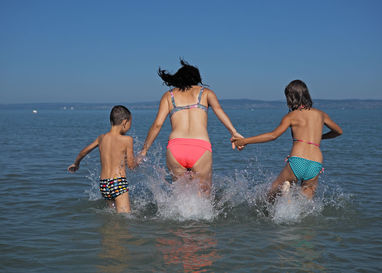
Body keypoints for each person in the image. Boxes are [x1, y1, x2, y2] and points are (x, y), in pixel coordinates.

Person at [140, 60, 242, 196]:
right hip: (200, 148)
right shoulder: (206, 93)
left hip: (176, 149)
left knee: (180, 198)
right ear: (197, 78)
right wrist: (234, 133)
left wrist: (144, 151)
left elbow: (157, 124)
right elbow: (219, 112)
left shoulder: (169, 96)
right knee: (204, 195)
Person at [232, 80, 342, 201]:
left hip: (297, 160)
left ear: (291, 98)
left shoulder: (291, 116)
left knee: (271, 194)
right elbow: (338, 131)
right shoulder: (321, 114)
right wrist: (320, 137)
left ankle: (284, 194)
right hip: (316, 163)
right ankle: (291, 204)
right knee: (305, 205)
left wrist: (244, 141)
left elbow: (273, 135)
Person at [68, 105, 137, 213]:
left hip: (104, 185)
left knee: (112, 218)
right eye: (130, 123)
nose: (130, 126)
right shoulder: (127, 140)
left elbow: (83, 151)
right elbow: (131, 166)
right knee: (125, 218)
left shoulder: (101, 138)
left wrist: (76, 164)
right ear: (124, 122)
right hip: (118, 182)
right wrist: (140, 160)